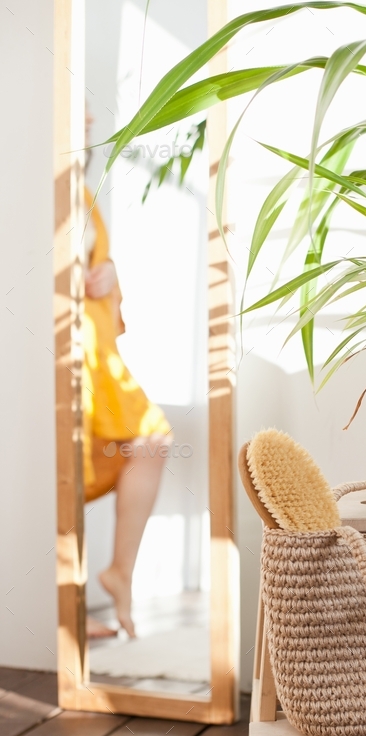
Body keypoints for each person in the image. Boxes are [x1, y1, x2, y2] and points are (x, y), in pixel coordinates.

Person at [83, 111, 171, 639]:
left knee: (149, 441)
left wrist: (111, 274)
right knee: (59, 472)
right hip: (70, 355)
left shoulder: (82, 200)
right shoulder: (42, 193)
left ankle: (119, 573)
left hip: (96, 353)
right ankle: (58, 613)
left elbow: (101, 272)